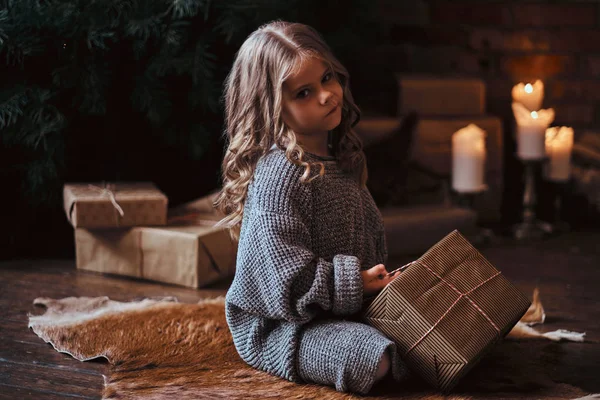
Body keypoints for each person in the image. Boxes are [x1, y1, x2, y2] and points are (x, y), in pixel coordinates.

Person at [214, 20, 408, 394]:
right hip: (286, 325)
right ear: (270, 107)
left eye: (328, 78)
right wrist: (354, 282)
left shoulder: (341, 159)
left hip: (341, 307)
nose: (326, 95)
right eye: (304, 92)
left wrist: (380, 283)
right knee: (374, 357)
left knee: (437, 324)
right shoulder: (280, 177)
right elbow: (286, 277)